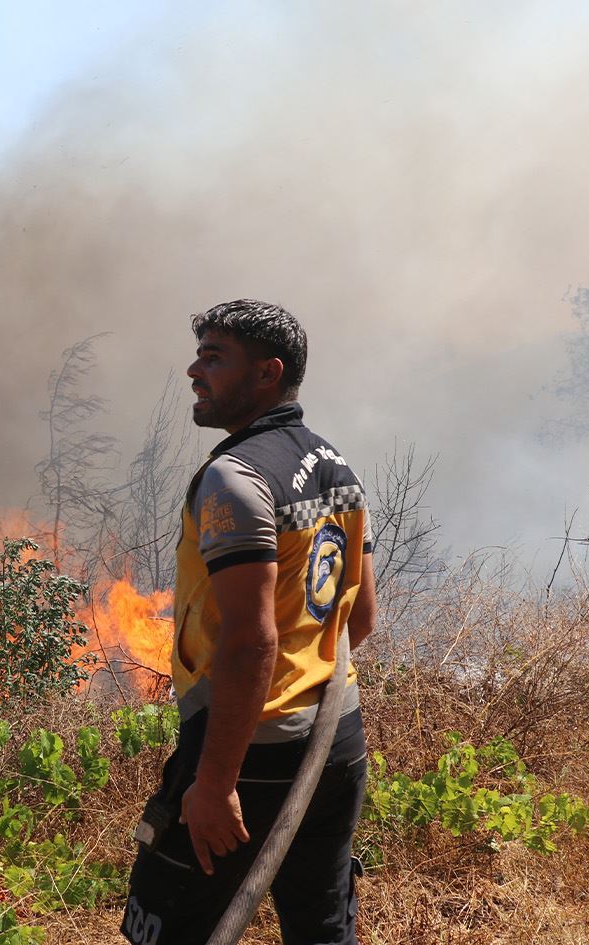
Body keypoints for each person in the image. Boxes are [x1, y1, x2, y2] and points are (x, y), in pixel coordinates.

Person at [120, 299, 377, 945]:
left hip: (251, 753)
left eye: (214, 358)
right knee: (322, 931)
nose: (193, 371)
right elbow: (360, 617)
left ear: (267, 372)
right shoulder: (336, 466)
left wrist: (214, 782)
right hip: (335, 740)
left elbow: (249, 642)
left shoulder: (235, 480)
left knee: (167, 930)